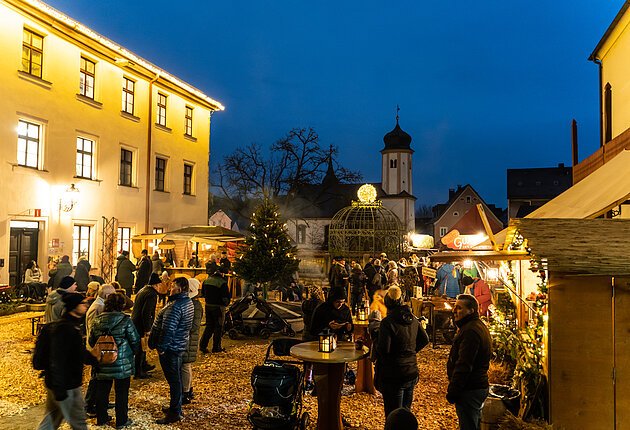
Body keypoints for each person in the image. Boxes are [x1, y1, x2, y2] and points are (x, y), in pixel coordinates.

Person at [33, 292, 95, 430]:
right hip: (67, 385)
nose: (86, 306)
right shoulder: (66, 329)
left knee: (51, 420)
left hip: (57, 383)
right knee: (79, 423)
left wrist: (94, 359)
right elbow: (58, 359)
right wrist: (60, 388)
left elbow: (77, 352)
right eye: (83, 303)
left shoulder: (70, 326)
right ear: (74, 307)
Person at [374, 286, 429, 417]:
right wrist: (410, 351)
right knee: (405, 414)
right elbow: (425, 339)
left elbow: (384, 350)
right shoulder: (413, 319)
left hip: (394, 375)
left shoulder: (387, 322)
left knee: (393, 415)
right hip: (411, 371)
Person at [89, 293, 140, 428]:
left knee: (102, 391)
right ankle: (121, 421)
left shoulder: (97, 320)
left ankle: (102, 418)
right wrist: (131, 353)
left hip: (102, 361)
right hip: (122, 362)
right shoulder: (125, 320)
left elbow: (91, 340)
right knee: (121, 392)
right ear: (122, 305)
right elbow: (135, 340)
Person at [151, 276, 194, 424]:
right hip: (180, 344)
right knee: (175, 379)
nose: (170, 288)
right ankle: (175, 407)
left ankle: (175, 412)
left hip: (172, 348)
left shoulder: (175, 306)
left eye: (173, 286)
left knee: (174, 380)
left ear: (180, 288)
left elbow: (168, 330)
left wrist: (162, 348)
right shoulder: (187, 302)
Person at [447, 294, 492, 430]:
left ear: (471, 311)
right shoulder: (475, 326)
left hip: (470, 389)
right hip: (475, 386)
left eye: (459, 308)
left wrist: (454, 390)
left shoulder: (470, 332)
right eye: (454, 307)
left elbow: (464, 364)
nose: (454, 311)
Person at [84, 284, 116, 416]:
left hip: (100, 347)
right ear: (107, 296)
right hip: (96, 348)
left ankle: (101, 401)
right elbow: (93, 330)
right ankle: (89, 405)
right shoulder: (97, 307)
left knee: (101, 377)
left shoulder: (100, 305)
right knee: (96, 377)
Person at [131, 272, 162, 378]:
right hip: (140, 323)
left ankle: (143, 365)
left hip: (135, 321)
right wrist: (147, 328)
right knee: (141, 346)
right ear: (156, 285)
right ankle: (139, 371)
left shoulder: (143, 290)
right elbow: (146, 312)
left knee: (141, 346)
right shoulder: (151, 294)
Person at [181, 278, 203, 404]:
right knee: (184, 365)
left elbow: (194, 326)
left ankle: (186, 391)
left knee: (185, 365)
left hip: (189, 339)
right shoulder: (190, 303)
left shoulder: (195, 306)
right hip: (186, 338)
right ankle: (186, 389)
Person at [199, 270, 230, 353]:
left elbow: (203, 293)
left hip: (208, 305)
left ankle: (202, 346)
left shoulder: (206, 281)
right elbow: (225, 297)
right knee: (218, 327)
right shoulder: (222, 283)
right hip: (218, 307)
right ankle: (216, 347)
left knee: (209, 326)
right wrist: (226, 304)